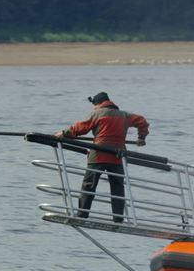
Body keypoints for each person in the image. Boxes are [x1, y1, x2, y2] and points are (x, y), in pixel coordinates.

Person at [54, 92, 149, 223]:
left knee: (89, 186)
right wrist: (141, 138)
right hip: (117, 157)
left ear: (98, 104)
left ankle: (82, 215)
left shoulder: (97, 113)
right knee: (117, 188)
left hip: (98, 155)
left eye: (94, 105)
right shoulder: (124, 116)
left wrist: (63, 134)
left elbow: (81, 128)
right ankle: (118, 218)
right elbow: (142, 121)